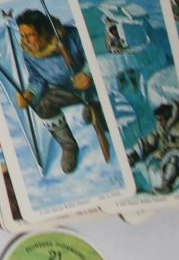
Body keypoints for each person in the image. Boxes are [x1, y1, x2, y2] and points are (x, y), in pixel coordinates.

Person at [13, 9, 111, 174]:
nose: (25, 40)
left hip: (92, 86)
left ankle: (94, 109)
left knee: (108, 125)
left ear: (43, 32)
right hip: (64, 90)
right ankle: (68, 146)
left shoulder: (72, 36)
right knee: (43, 105)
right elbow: (37, 79)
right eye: (22, 35)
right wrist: (30, 94)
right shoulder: (29, 54)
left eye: (29, 35)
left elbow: (92, 56)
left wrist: (87, 74)